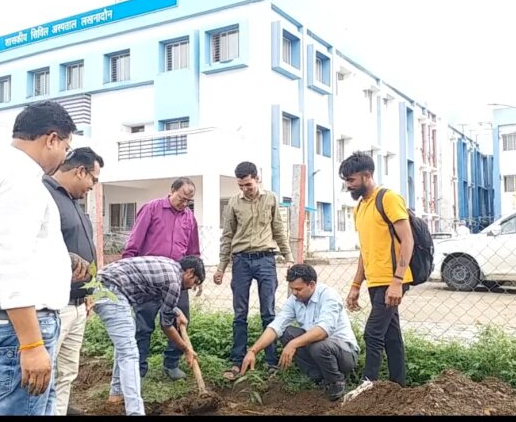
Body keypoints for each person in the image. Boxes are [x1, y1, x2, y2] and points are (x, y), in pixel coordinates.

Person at [0, 100, 76, 415]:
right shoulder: (18, 180)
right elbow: (11, 263)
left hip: (15, 324)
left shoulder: (6, 172)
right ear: (51, 138)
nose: (63, 156)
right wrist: (30, 343)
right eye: (66, 147)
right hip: (18, 328)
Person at [339, 151, 414, 391]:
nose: (348, 185)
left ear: (367, 175)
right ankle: (398, 389)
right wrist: (355, 285)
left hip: (393, 280)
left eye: (351, 180)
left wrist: (397, 281)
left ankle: (366, 388)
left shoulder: (388, 198)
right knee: (391, 337)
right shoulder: (359, 208)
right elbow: (365, 250)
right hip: (375, 282)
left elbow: (407, 240)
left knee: (372, 334)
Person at [92, 256, 204, 416]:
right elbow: (166, 325)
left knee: (124, 345)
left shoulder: (171, 268)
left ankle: (116, 395)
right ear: (190, 272)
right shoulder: (174, 282)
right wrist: (186, 349)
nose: (192, 287)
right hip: (110, 290)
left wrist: (176, 312)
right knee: (130, 352)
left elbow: (159, 299)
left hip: (104, 287)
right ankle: (135, 412)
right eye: (195, 283)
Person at [213, 161, 293, 381]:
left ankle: (270, 363)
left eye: (248, 184)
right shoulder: (233, 203)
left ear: (257, 178)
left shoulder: (271, 198)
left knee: (268, 312)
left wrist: (289, 258)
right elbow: (227, 236)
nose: (245, 189)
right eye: (241, 185)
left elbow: (278, 229)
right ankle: (237, 361)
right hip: (241, 262)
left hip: (266, 259)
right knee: (240, 314)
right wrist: (221, 267)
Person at [42, 147, 104, 415]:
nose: (93, 186)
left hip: (79, 305)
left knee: (67, 372)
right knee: (43, 373)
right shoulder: (44, 196)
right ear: (80, 171)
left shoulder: (73, 202)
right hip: (55, 306)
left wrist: (90, 291)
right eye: (94, 179)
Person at [239, 264, 359, 401]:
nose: (294, 293)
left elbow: (323, 331)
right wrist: (253, 351)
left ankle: (337, 381)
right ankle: (317, 378)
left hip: (345, 353)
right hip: (320, 349)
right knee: (286, 333)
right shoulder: (295, 300)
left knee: (318, 345)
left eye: (298, 289)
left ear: (311, 285)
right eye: (292, 289)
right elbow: (275, 327)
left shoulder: (328, 296)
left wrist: (293, 344)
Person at [122, 177, 200, 381]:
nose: (184, 204)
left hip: (177, 279)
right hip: (148, 279)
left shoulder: (189, 218)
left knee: (181, 320)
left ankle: (171, 364)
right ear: (172, 191)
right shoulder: (152, 209)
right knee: (143, 325)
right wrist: (128, 268)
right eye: (182, 198)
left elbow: (193, 251)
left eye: (188, 201)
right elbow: (134, 241)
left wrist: (196, 277)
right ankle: (139, 368)